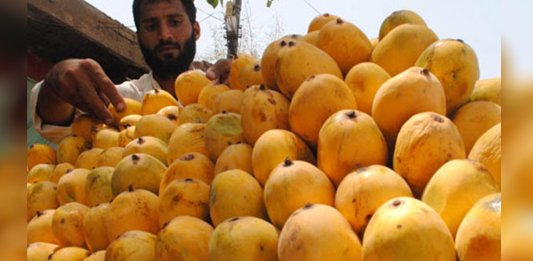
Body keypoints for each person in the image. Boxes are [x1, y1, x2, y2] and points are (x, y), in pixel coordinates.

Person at [30, 0, 230, 143]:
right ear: (139, 37)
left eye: (174, 22)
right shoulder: (122, 100)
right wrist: (56, 81)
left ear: (196, 30)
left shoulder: (225, 92)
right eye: (151, 26)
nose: (164, 35)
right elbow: (55, 122)